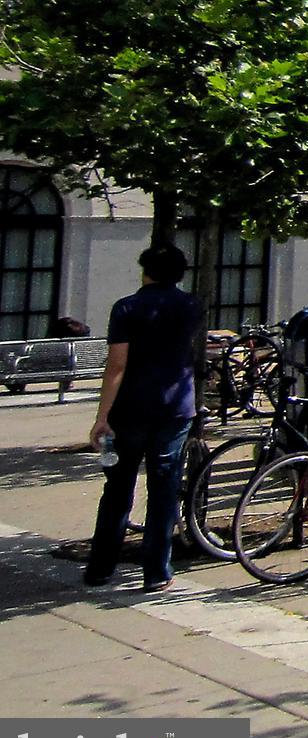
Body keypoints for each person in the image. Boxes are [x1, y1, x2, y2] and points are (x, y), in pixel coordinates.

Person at [84, 243, 201, 591]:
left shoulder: (126, 308)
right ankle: (156, 570)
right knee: (164, 488)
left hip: (131, 407)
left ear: (145, 270)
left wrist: (101, 416)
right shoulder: (190, 306)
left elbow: (116, 365)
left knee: (118, 488)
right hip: (175, 406)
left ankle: (101, 566)